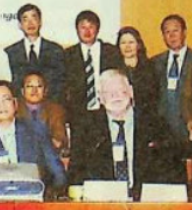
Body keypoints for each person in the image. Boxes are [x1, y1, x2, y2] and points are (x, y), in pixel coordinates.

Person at [67, 67, 181, 195]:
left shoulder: (156, 125)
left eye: (121, 91)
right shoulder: (86, 128)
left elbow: (172, 169)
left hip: (146, 200)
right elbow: (76, 174)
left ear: (131, 92)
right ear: (100, 97)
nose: (116, 96)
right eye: (109, 93)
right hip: (103, 200)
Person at [0, 78, 66, 190]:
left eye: (6, 99)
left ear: (15, 104)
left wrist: (51, 194)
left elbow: (58, 172)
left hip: (31, 196)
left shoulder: (36, 131)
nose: (2, 106)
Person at [152, 13, 192, 141]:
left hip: (191, 126)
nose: (172, 36)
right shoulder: (154, 62)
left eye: (175, 31)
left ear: (184, 32)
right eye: (167, 32)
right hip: (163, 130)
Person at [6, 3, 66, 102]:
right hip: (20, 107)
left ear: (40, 22)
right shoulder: (10, 52)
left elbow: (61, 84)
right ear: (20, 25)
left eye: (34, 18)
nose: (30, 23)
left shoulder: (55, 50)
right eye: (25, 19)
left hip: (50, 106)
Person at [67, 9, 120, 113]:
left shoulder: (111, 52)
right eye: (83, 27)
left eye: (91, 27)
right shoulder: (68, 55)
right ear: (77, 30)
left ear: (97, 29)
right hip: (78, 113)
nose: (87, 31)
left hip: (107, 110)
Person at [18, 68, 71, 166]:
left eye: (39, 86)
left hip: (48, 160)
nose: (34, 90)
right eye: (29, 86)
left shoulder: (56, 110)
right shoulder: (14, 109)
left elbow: (59, 140)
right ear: (22, 91)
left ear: (45, 91)